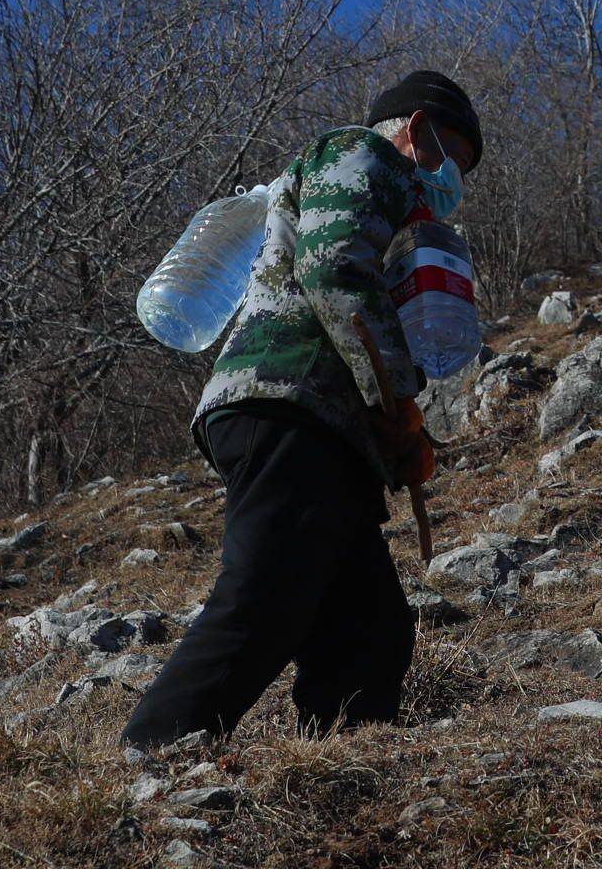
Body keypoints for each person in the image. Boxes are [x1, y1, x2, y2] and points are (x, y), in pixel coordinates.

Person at [121, 70, 483, 750]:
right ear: (413, 130)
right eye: (449, 158)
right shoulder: (362, 155)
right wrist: (397, 403)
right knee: (267, 594)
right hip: (290, 399)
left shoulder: (398, 206)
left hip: (329, 426)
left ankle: (343, 757)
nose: (451, 179)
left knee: (370, 628)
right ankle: (153, 753)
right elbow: (336, 271)